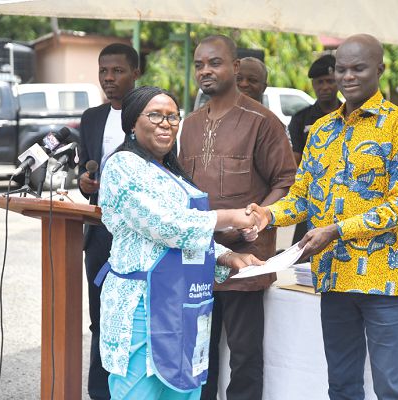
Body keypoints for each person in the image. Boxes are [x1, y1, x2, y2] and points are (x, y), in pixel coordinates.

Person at [247, 34, 398, 400]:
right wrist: (267, 214)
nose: (347, 77)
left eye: (358, 68)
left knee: (391, 388)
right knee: (342, 387)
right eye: (340, 69)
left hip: (385, 282)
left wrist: (336, 230)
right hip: (332, 279)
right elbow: (301, 198)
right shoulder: (322, 130)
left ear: (380, 69)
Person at [96, 85, 264, 399]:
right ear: (132, 122)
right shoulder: (122, 167)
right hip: (142, 307)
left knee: (183, 391)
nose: (166, 123)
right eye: (155, 115)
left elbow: (185, 236)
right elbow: (166, 225)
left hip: (183, 304)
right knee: (139, 393)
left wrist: (226, 257)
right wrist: (229, 217)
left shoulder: (172, 172)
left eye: (173, 117)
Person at [179, 35, 297, 400]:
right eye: (199, 65)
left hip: (246, 262)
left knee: (245, 356)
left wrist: (261, 215)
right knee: (198, 352)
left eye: (214, 63)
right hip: (200, 258)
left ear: (235, 67)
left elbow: (287, 181)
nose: (205, 71)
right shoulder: (192, 124)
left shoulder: (262, 121)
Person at [78, 42, 140, 400]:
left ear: (135, 73)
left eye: (117, 71)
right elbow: (84, 167)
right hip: (100, 233)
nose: (108, 78)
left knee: (133, 315)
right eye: (103, 71)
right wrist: (84, 182)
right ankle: (99, 391)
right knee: (100, 316)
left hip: (137, 233)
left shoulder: (152, 114)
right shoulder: (91, 118)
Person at [288, 54, 341, 245]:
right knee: (303, 252)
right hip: (312, 197)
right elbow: (296, 160)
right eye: (320, 82)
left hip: (343, 198)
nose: (325, 87)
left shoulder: (351, 115)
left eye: (330, 81)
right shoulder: (301, 119)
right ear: (313, 85)